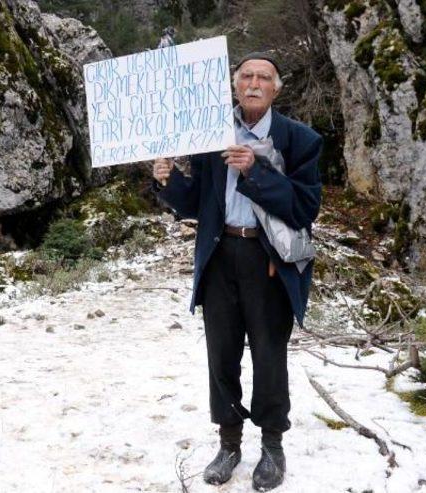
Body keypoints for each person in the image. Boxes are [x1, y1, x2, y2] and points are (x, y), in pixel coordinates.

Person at [152, 52, 323, 491]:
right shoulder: (211, 134)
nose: (253, 83)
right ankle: (229, 443)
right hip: (219, 253)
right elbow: (194, 203)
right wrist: (168, 180)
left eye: (263, 77)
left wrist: (255, 170)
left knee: (269, 354)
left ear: (276, 88)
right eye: (245, 76)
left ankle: (272, 446)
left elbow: (305, 206)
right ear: (233, 85)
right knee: (221, 355)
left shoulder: (300, 139)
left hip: (267, 260)